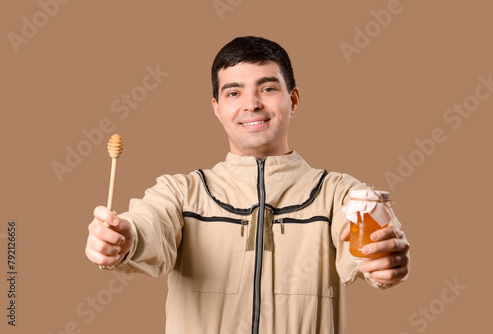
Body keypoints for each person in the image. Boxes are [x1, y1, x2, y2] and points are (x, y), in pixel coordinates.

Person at [85, 36, 410, 334]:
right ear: (217, 107)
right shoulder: (181, 193)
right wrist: (124, 238)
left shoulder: (339, 192)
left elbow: (375, 236)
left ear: (293, 99)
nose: (251, 104)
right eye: (234, 92)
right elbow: (148, 223)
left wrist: (384, 259)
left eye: (267, 89)